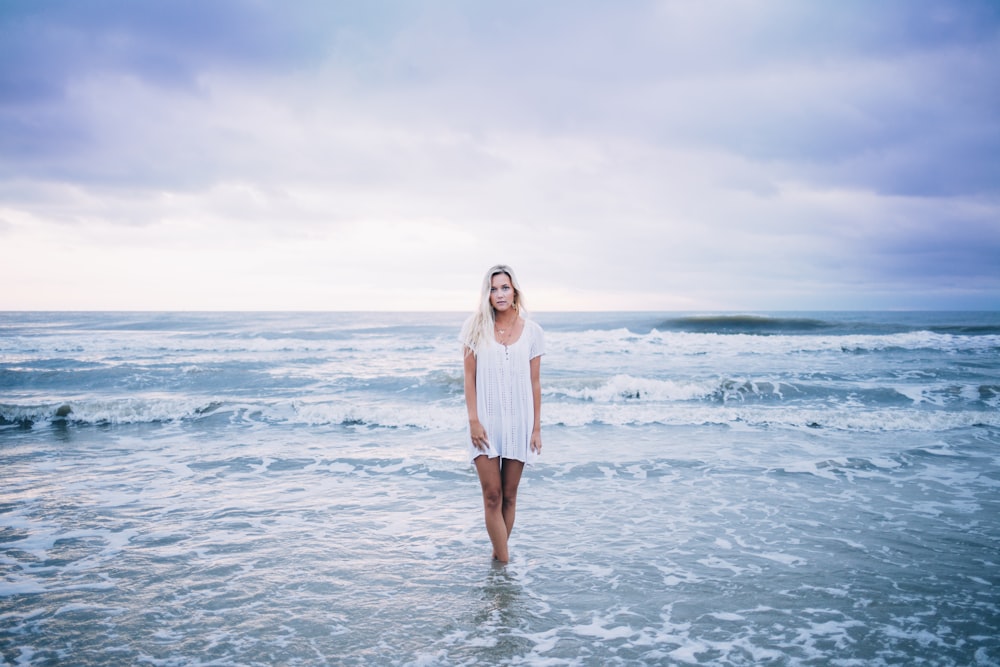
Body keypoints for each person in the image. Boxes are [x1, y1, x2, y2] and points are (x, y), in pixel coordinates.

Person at [460, 264, 545, 563]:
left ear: (515, 291)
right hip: (485, 422)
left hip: (519, 422)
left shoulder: (533, 332)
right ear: (487, 294)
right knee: (492, 495)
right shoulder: (474, 328)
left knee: (509, 496)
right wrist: (473, 420)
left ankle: (497, 563)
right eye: (493, 288)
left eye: (504, 287)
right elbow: (468, 378)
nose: (499, 294)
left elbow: (535, 383)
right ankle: (505, 565)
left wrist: (536, 428)